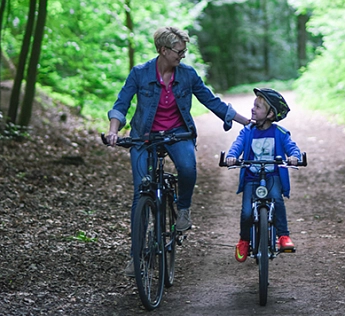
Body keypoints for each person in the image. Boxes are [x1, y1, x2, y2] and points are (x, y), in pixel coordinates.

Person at [105, 26, 251, 274]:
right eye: (179, 50)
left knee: (187, 167)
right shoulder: (140, 73)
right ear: (163, 50)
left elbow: (210, 100)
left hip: (177, 133)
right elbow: (122, 102)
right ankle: (137, 256)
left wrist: (244, 121)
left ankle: (183, 209)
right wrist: (113, 130)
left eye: (184, 50)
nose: (183, 54)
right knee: (141, 194)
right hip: (144, 136)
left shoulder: (187, 74)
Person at [226, 88, 301, 262]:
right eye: (254, 105)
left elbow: (292, 147)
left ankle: (283, 236)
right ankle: (244, 240)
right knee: (246, 212)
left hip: (272, 176)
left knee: (277, 199)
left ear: (270, 114)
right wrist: (231, 156)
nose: (253, 109)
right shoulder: (247, 131)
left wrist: (294, 157)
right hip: (252, 178)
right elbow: (237, 145)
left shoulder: (279, 133)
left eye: (258, 107)